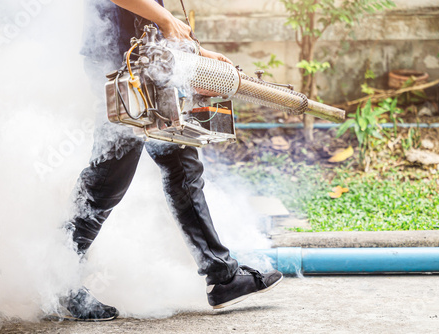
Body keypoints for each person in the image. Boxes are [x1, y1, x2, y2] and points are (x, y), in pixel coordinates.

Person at [60, 0, 283, 321]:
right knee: (110, 175)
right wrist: (166, 18)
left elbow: (151, 18)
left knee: (182, 165)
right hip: (118, 61)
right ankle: (59, 283)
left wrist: (196, 51)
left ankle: (223, 276)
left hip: (149, 63)